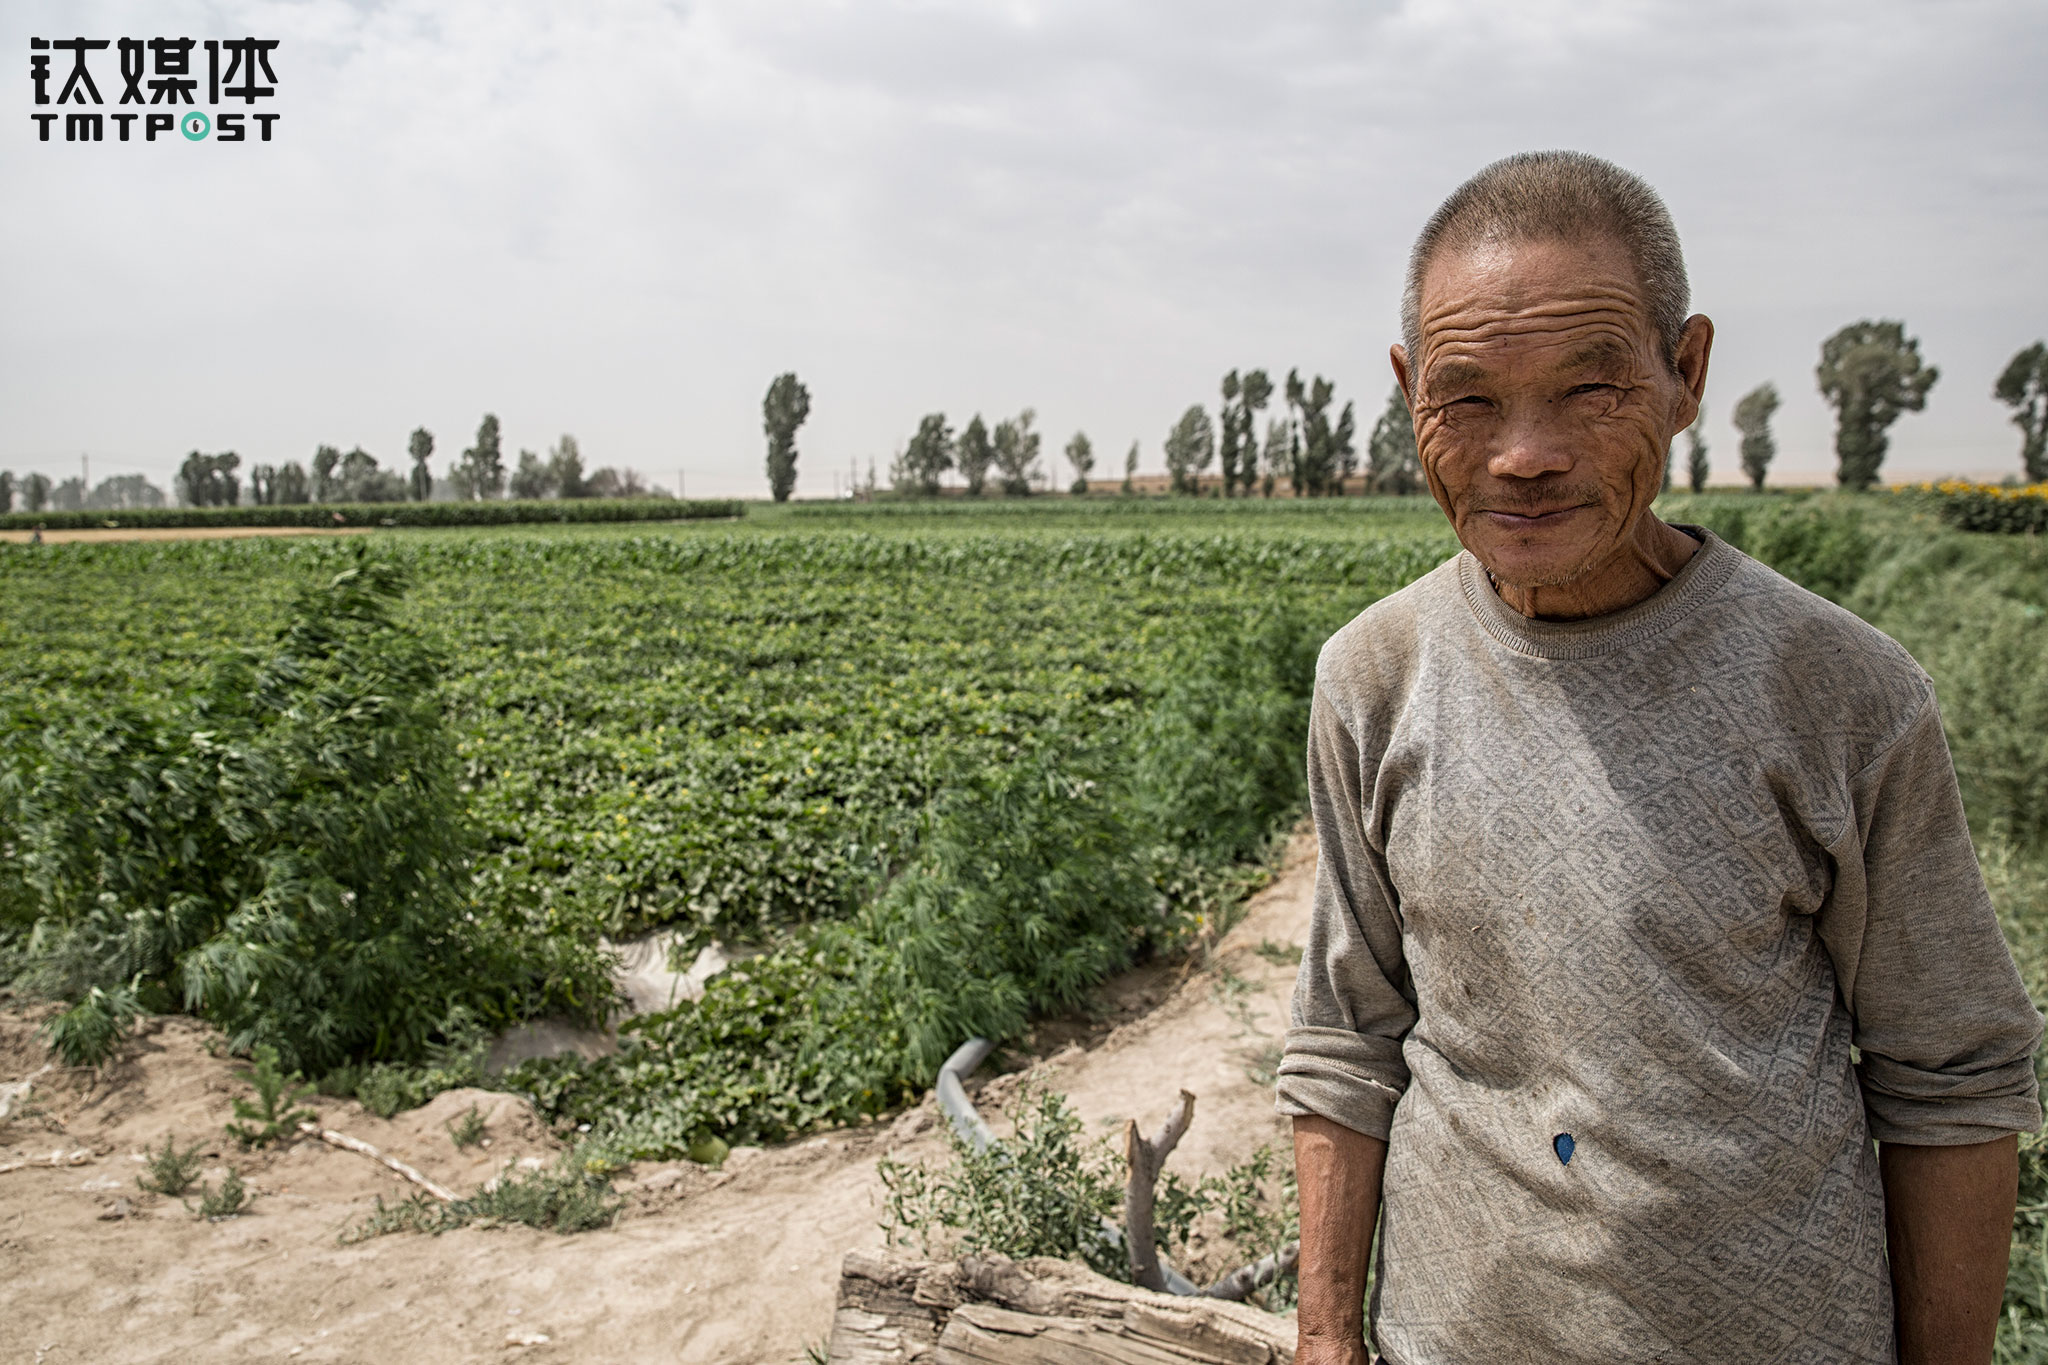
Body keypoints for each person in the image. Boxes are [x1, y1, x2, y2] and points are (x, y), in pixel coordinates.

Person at [1277, 150, 2041, 1365]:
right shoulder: (1371, 677)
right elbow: (1345, 1033)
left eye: (1588, 389)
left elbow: (1949, 1074)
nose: (1520, 453)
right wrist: (1325, 1338)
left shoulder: (1842, 691)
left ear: (1684, 374)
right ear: (1406, 389)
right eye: (1466, 397)